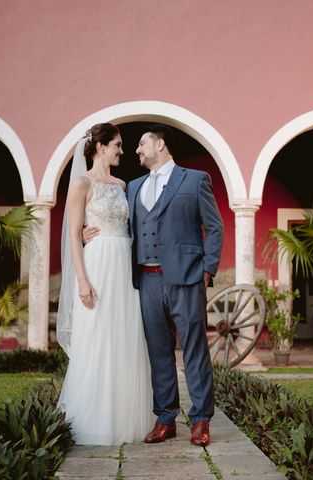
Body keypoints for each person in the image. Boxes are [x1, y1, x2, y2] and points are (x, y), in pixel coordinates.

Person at [85, 124, 224, 447]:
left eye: (142, 144)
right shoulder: (132, 187)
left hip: (187, 277)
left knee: (194, 349)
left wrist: (207, 269)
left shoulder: (195, 179)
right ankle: (165, 418)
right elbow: (114, 222)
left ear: (160, 145)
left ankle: (201, 419)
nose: (136, 151)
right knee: (158, 351)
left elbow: (214, 227)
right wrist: (82, 234)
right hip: (146, 279)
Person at [57, 123, 154, 445]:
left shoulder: (123, 184)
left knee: (123, 336)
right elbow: (73, 235)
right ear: (100, 146)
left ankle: (125, 418)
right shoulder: (81, 184)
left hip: (123, 263)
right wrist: (82, 280)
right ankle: (92, 418)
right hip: (97, 264)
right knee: (96, 334)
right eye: (117, 145)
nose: (122, 151)